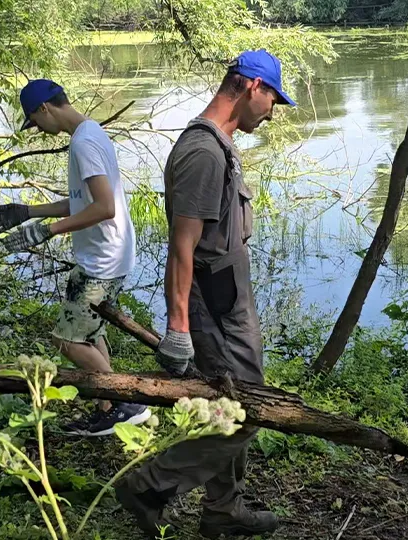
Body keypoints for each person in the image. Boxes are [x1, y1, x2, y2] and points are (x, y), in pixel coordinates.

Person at [116, 49, 294, 539]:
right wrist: (178, 327)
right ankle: (150, 485)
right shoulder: (202, 152)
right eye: (273, 100)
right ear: (252, 87)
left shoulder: (221, 144)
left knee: (229, 401)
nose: (273, 111)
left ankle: (223, 510)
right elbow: (181, 247)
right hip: (214, 306)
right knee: (246, 410)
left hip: (231, 300)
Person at [0, 79, 148, 436]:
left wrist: (49, 230)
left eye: (35, 121)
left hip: (101, 259)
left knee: (67, 340)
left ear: (44, 109)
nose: (39, 130)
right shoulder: (91, 132)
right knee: (90, 333)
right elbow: (84, 201)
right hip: (111, 253)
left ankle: (124, 404)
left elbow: (104, 208)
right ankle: (108, 408)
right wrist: (29, 211)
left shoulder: (84, 143)